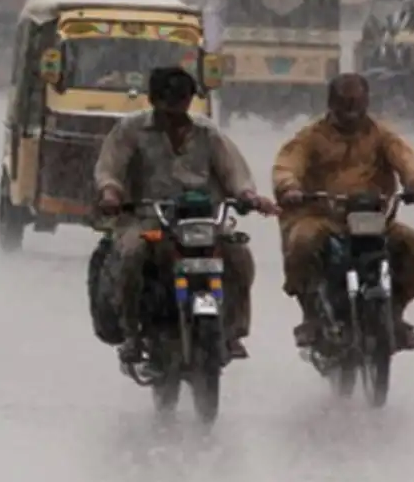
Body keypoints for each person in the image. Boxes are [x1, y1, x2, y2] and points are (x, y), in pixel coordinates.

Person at [94, 66, 278, 362]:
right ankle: (132, 334)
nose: (176, 113)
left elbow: (234, 173)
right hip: (147, 217)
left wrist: (249, 197)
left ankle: (233, 331)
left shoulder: (207, 132)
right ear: (153, 101)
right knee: (131, 256)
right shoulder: (130, 130)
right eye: (169, 105)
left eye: (182, 103)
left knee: (238, 255)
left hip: (202, 220)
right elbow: (109, 169)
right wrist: (111, 193)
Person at [272, 73, 414, 350]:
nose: (351, 110)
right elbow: (287, 165)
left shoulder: (382, 135)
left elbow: (407, 160)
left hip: (373, 220)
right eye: (344, 103)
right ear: (331, 103)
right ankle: (312, 315)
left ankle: (394, 314)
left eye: (357, 102)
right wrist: (290, 188)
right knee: (302, 243)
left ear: (367, 102)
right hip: (323, 217)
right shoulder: (311, 137)